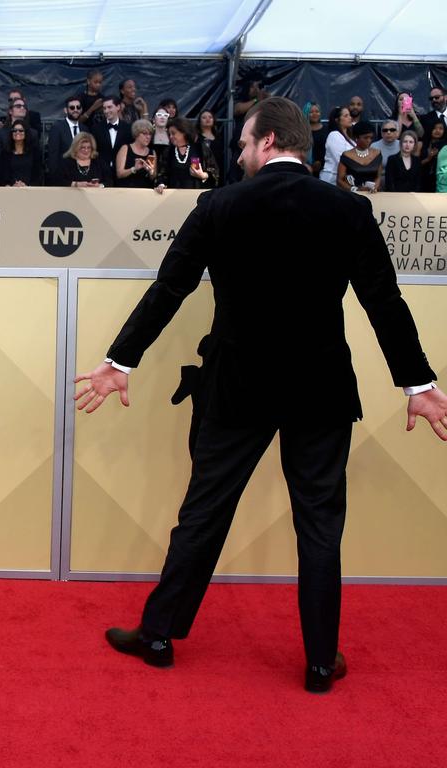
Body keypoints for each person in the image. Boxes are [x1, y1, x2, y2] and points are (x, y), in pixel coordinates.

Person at [74, 96, 446, 694]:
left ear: (269, 141)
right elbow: (384, 302)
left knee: (204, 512)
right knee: (321, 525)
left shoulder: (219, 204)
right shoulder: (348, 210)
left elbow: (169, 289)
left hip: (236, 386)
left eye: (245, 142)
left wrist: (121, 360)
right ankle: (322, 661)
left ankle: (159, 635)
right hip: (321, 391)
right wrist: (418, 384)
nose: (241, 152)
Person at [154, 117, 218, 192]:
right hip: (172, 197)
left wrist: (202, 175)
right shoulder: (168, 151)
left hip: (195, 195)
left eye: (173, 133)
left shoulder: (200, 148)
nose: (171, 136)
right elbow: (162, 174)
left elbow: (215, 172)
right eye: (169, 134)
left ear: (184, 132)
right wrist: (161, 184)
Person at [47, 96, 86, 178]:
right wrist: (55, 175)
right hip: (63, 176)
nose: (75, 110)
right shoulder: (57, 128)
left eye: (78, 107)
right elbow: (53, 154)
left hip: (82, 175)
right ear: (66, 110)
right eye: (72, 107)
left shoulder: (85, 129)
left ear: (81, 110)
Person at [337, 121, 382, 193]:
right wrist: (355, 190)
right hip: (353, 195)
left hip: (373, 193)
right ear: (356, 138)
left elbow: (378, 176)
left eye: (371, 138)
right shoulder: (347, 155)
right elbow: (340, 180)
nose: (369, 140)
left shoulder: (377, 154)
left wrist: (374, 187)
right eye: (365, 138)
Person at [115, 119, 157, 188]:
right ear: (136, 134)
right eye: (144, 133)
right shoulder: (125, 148)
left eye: (150, 134)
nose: (148, 137)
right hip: (127, 191)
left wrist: (150, 171)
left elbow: (153, 177)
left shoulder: (152, 152)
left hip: (145, 192)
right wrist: (134, 169)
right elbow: (119, 174)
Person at [319, 106, 354, 184]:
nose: (350, 118)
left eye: (349, 115)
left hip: (347, 178)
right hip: (332, 179)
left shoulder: (351, 139)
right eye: (346, 116)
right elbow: (340, 159)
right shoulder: (334, 135)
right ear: (337, 120)